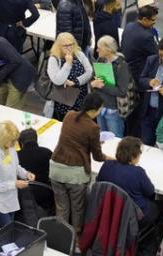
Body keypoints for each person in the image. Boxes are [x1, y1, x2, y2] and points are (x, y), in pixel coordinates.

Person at [49, 92, 110, 233]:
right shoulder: (93, 128)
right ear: (95, 110)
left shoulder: (69, 115)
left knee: (61, 208)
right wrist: (110, 157)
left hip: (56, 169)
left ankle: (60, 238)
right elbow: (98, 157)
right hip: (75, 175)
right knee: (78, 209)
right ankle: (76, 240)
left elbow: (74, 136)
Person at [0, 120, 34, 227]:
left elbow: (15, 166)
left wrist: (25, 174)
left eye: (15, 140)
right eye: (12, 141)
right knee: (7, 230)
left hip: (10, 198)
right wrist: (14, 184)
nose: (14, 144)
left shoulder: (10, 148)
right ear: (3, 139)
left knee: (10, 228)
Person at [97, 136, 157, 224]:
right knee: (159, 205)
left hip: (108, 208)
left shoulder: (107, 165)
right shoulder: (138, 172)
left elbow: (99, 183)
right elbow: (150, 191)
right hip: (133, 214)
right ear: (134, 155)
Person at [46, 32, 94, 121]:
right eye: (65, 46)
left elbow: (89, 71)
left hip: (81, 98)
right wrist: (68, 64)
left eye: (71, 44)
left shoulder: (79, 54)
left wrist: (75, 82)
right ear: (59, 46)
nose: (69, 48)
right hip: (64, 101)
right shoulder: (54, 59)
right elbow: (57, 80)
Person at [90, 35, 131, 136]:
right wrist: (93, 83)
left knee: (115, 140)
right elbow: (93, 78)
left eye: (99, 49)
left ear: (108, 49)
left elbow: (122, 92)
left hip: (113, 111)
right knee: (102, 139)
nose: (97, 51)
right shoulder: (101, 60)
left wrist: (102, 86)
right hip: (99, 107)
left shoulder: (122, 66)